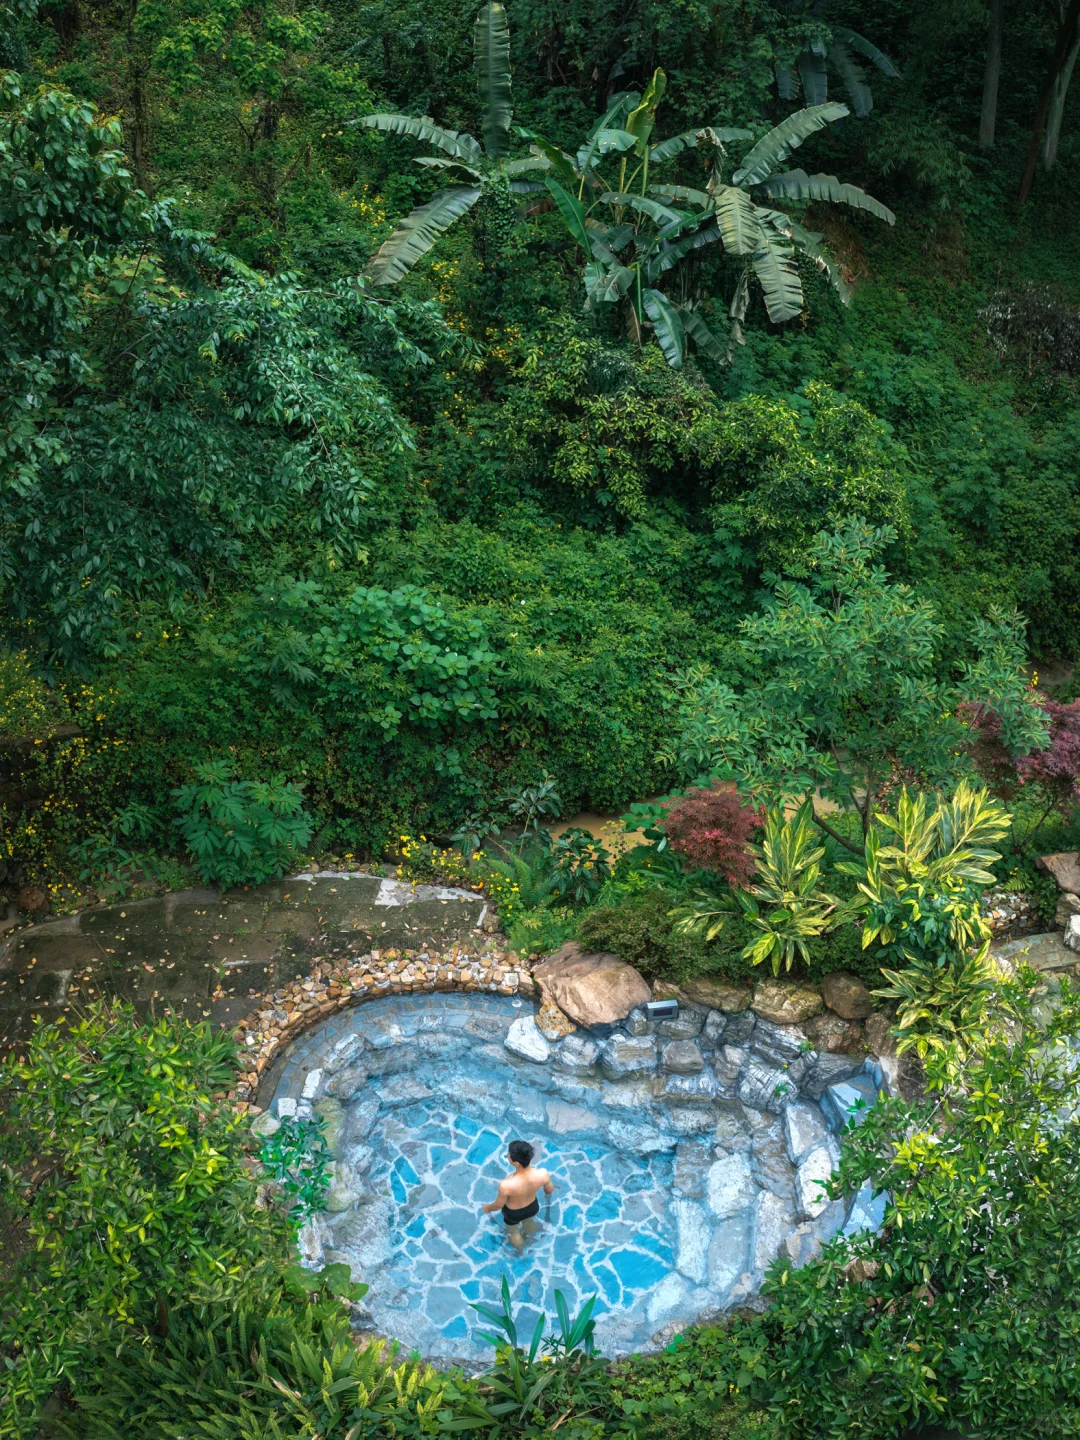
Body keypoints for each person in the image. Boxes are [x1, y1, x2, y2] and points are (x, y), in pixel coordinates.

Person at [481, 1140, 554, 1251]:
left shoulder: (506, 1184)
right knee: (529, 1222)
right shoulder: (542, 1173)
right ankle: (530, 1238)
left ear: (516, 1163)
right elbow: (549, 1189)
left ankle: (520, 1251)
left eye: (509, 1156)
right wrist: (548, 1198)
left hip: (513, 1214)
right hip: (532, 1208)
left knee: (513, 1231)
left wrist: (487, 1208)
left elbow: (498, 1205)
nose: (507, 1156)